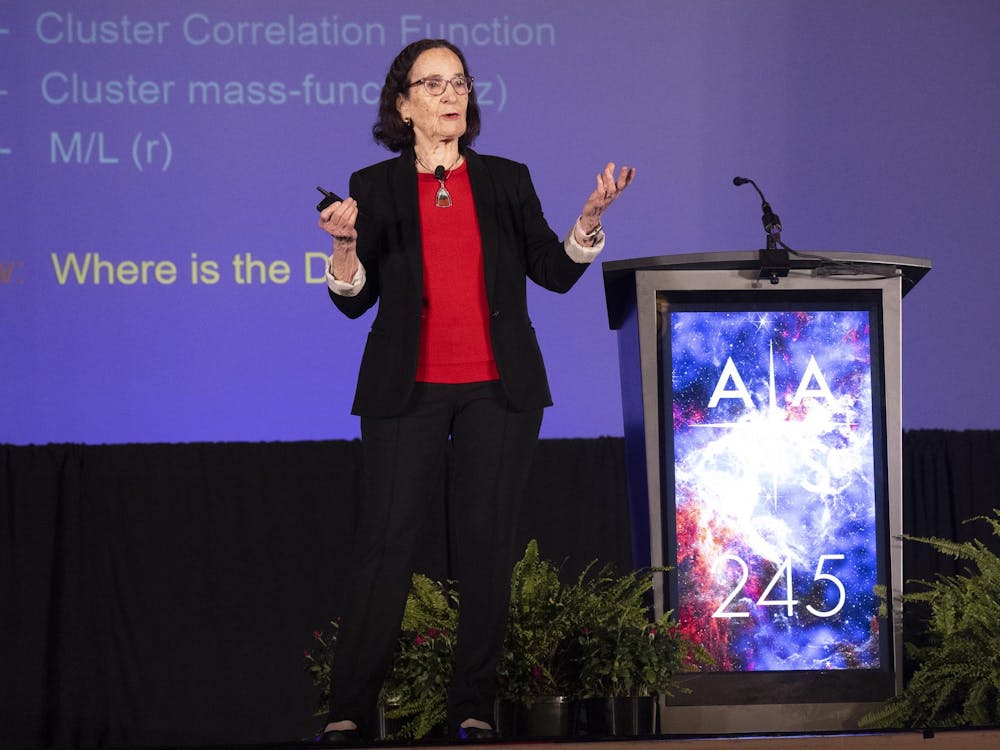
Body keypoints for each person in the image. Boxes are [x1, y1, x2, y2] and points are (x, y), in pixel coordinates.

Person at [316, 38, 634, 743]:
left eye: (458, 82)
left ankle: (474, 707)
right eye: (432, 84)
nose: (450, 95)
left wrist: (589, 222)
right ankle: (347, 708)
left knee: (487, 546)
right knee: (385, 545)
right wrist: (342, 248)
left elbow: (552, 271)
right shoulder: (373, 186)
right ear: (403, 106)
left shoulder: (506, 180)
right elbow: (351, 301)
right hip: (408, 389)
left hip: (499, 389)